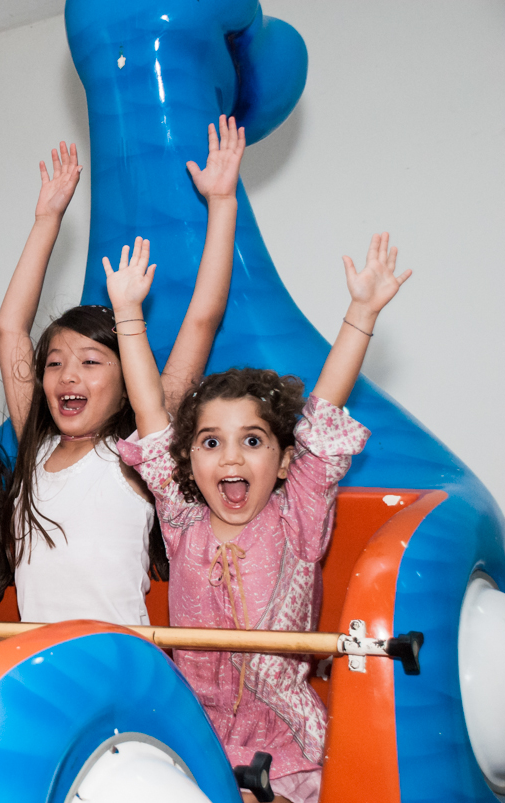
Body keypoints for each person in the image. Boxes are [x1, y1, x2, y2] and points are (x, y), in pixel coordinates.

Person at [110, 233, 410, 803]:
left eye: (252, 441)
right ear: (186, 461)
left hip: (283, 743)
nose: (230, 458)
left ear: (285, 460)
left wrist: (361, 313)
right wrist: (128, 314)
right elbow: (151, 412)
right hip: (193, 733)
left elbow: (325, 406)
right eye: (210, 442)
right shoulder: (181, 518)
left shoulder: (297, 515)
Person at [0, 116, 244, 625]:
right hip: (38, 665)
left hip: (118, 664)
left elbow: (202, 320)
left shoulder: (138, 450)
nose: (68, 376)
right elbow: (9, 330)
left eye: (90, 363)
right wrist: (47, 220)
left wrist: (223, 203)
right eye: (56, 364)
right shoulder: (34, 449)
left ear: (126, 379)